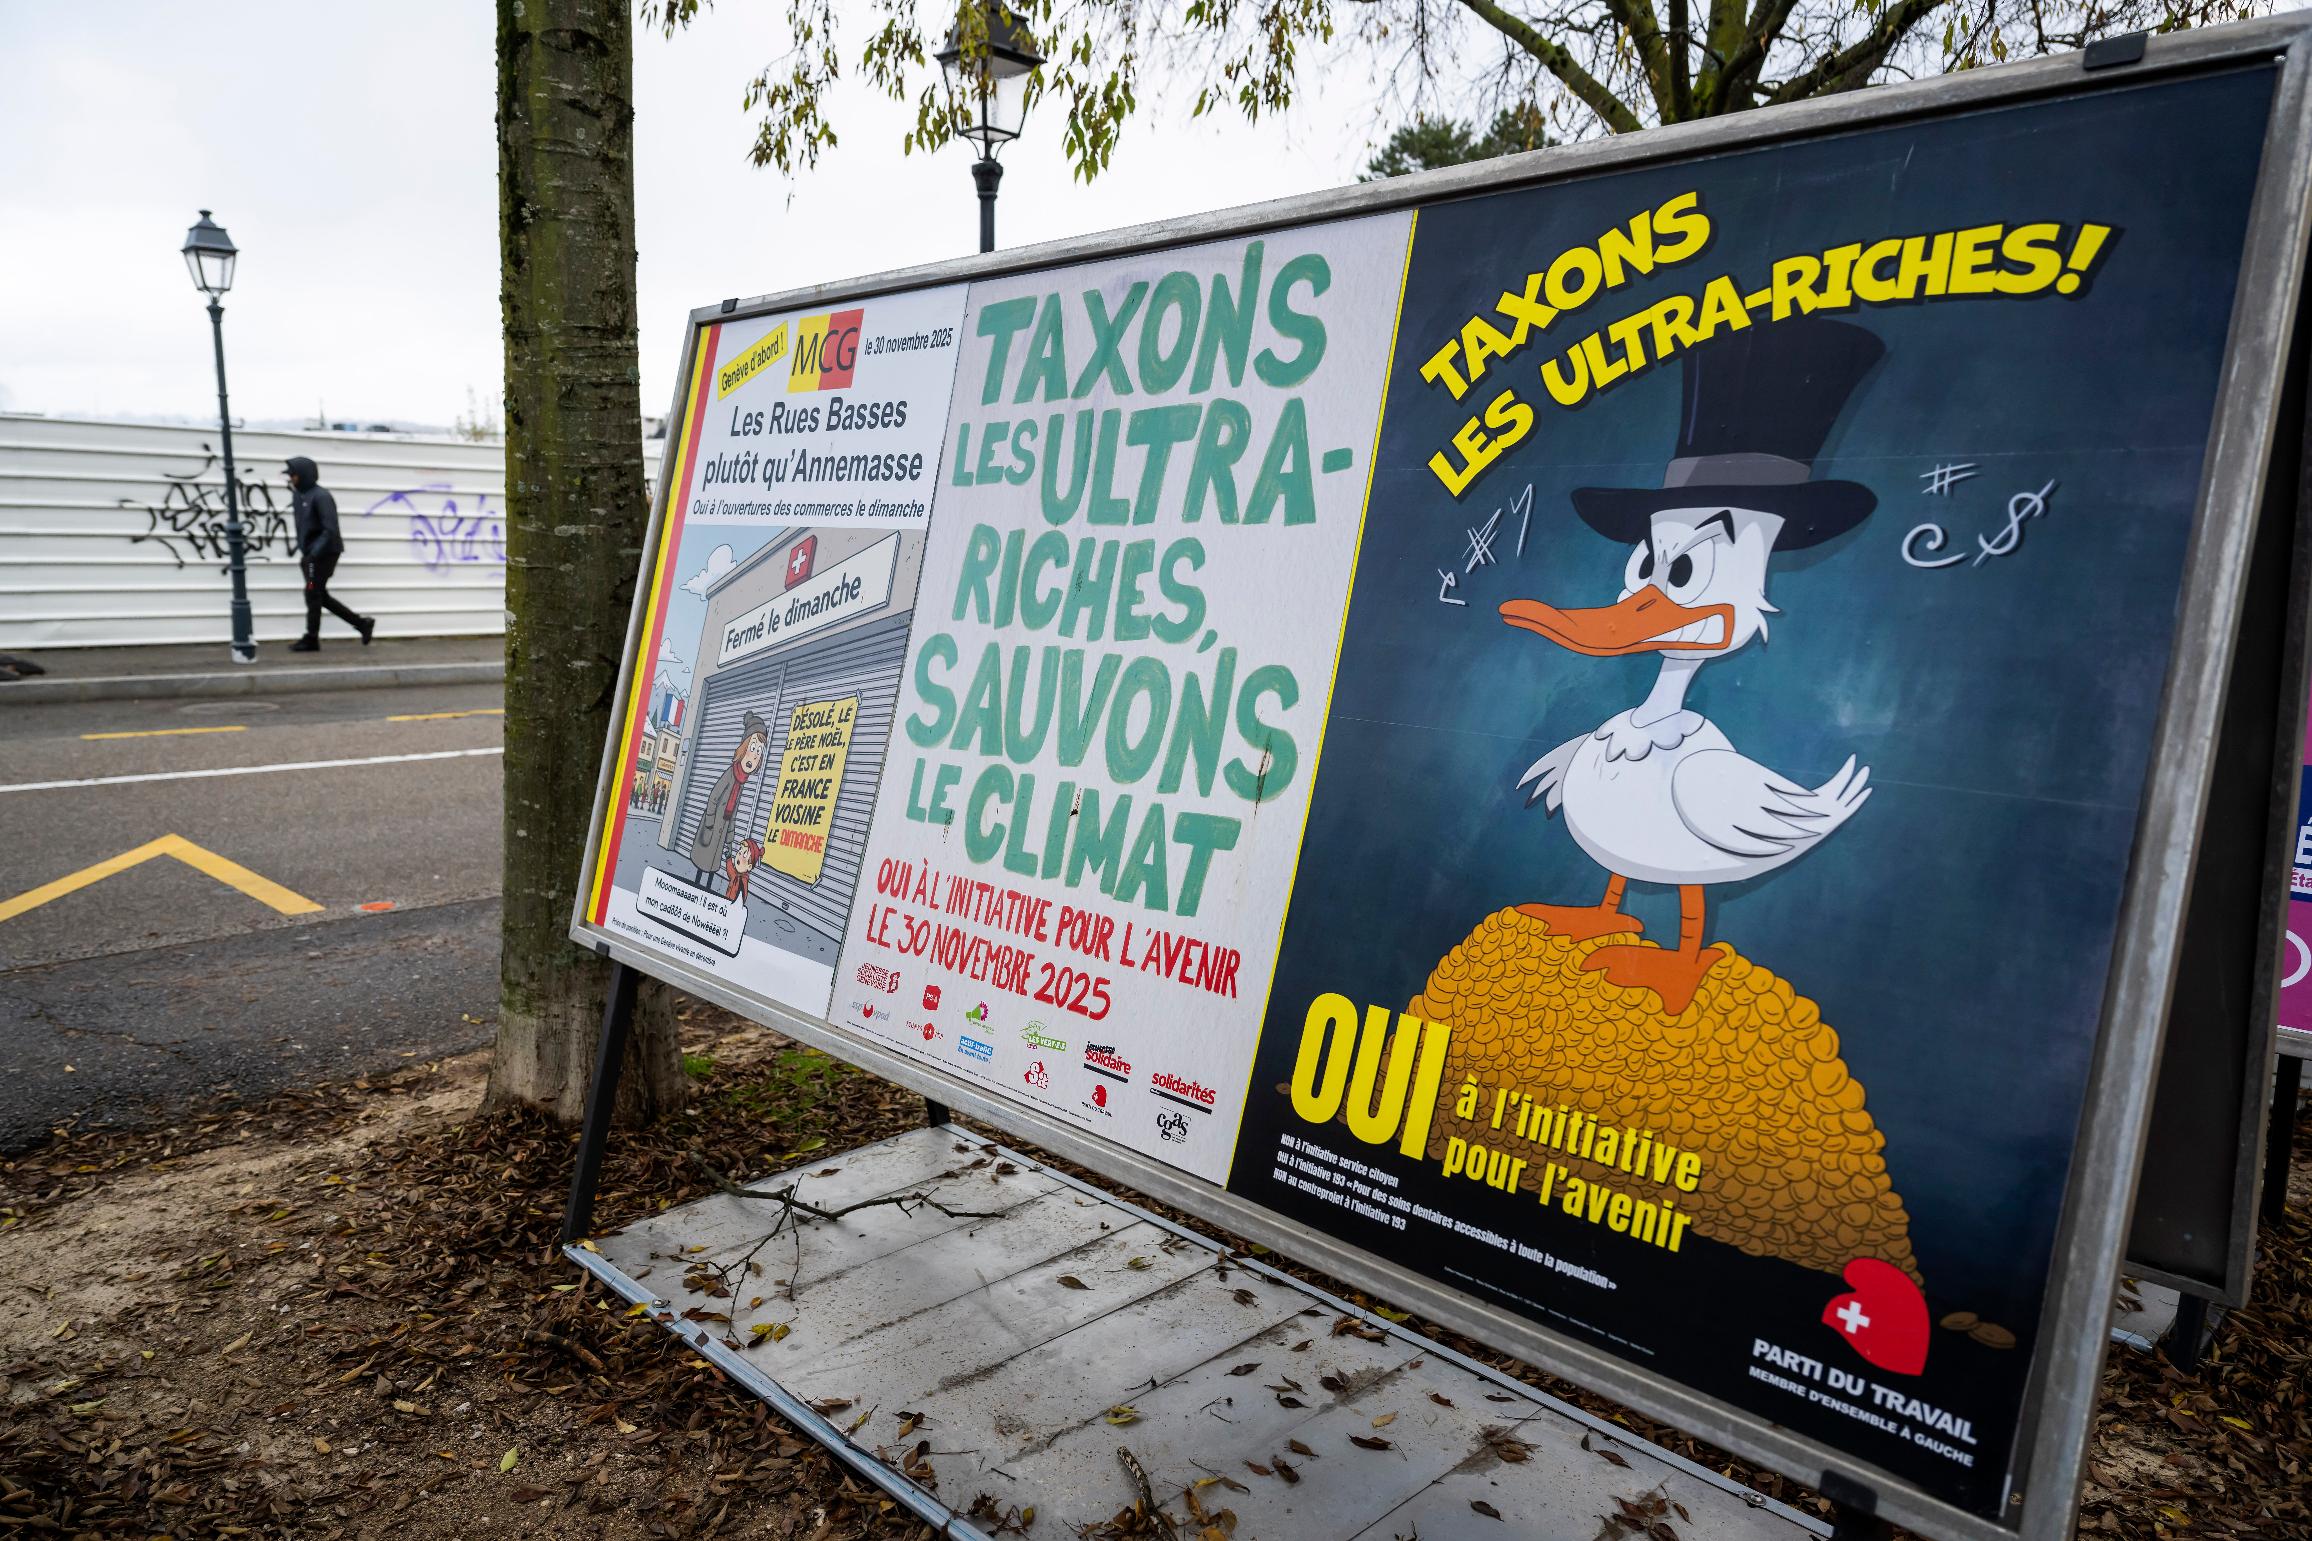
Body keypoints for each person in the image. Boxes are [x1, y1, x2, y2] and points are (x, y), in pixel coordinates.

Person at [285, 456, 374, 651]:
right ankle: (361, 623)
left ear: (304, 475)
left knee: (312, 591)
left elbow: (330, 529)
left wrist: (313, 553)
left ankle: (311, 638)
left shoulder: (321, 496)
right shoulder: (300, 496)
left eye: (293, 475)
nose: (290, 479)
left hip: (323, 555)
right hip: (310, 555)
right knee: (318, 594)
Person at [689, 713, 769, 888]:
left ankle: (706, 890)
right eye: (752, 748)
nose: (754, 756)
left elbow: (733, 812)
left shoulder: (741, 781)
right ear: (743, 747)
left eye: (758, 752)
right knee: (703, 861)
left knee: (712, 864)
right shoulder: (731, 773)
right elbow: (713, 797)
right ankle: (696, 888)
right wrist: (709, 823)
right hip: (713, 825)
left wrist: (730, 838)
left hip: (723, 828)